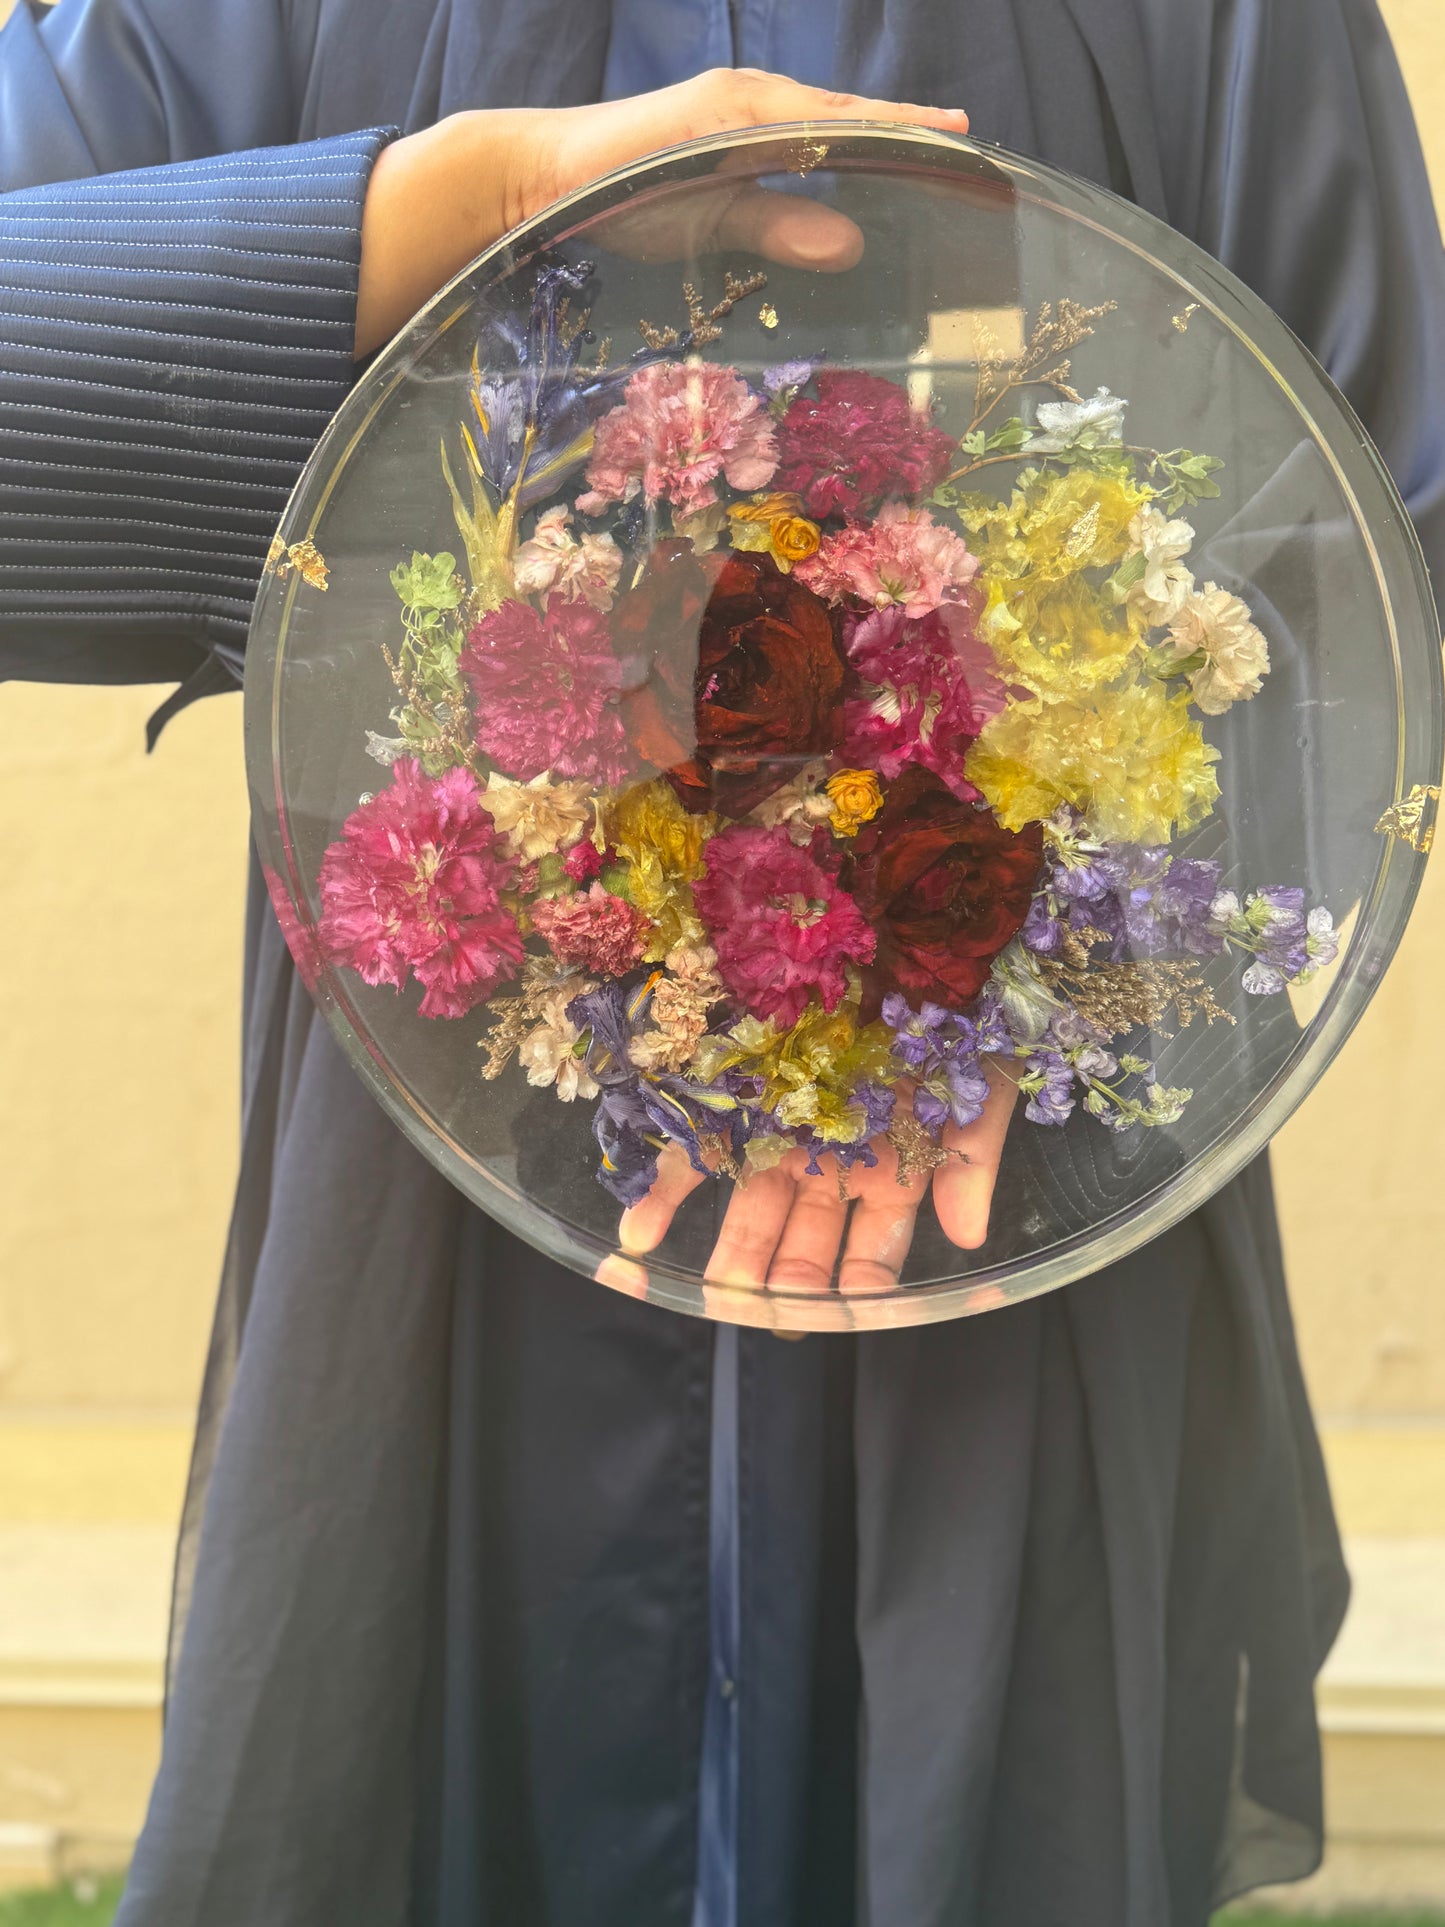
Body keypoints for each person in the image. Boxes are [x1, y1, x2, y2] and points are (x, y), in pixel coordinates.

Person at [2, 3, 1443, 1923]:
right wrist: (474, 200)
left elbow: (1368, 512)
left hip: (1002, 1167)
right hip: (457, 1150)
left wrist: (1015, 939)